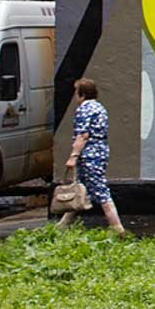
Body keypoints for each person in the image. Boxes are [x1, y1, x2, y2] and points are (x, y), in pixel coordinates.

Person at [57, 78, 126, 234]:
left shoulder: (84, 109)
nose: (75, 96)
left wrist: (73, 157)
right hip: (100, 152)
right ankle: (62, 225)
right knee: (80, 189)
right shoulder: (99, 108)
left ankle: (118, 229)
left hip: (88, 156)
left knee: (101, 191)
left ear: (82, 94)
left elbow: (83, 136)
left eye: (76, 93)